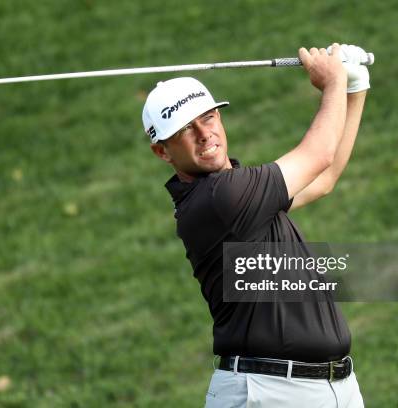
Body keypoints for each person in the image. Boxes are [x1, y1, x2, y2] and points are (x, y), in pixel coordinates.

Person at [142, 43, 369, 407]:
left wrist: (354, 89)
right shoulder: (221, 198)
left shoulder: (243, 195)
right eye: (186, 129)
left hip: (327, 386)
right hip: (269, 392)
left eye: (209, 117)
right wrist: (332, 83)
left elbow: (323, 179)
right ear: (162, 151)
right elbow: (318, 154)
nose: (204, 134)